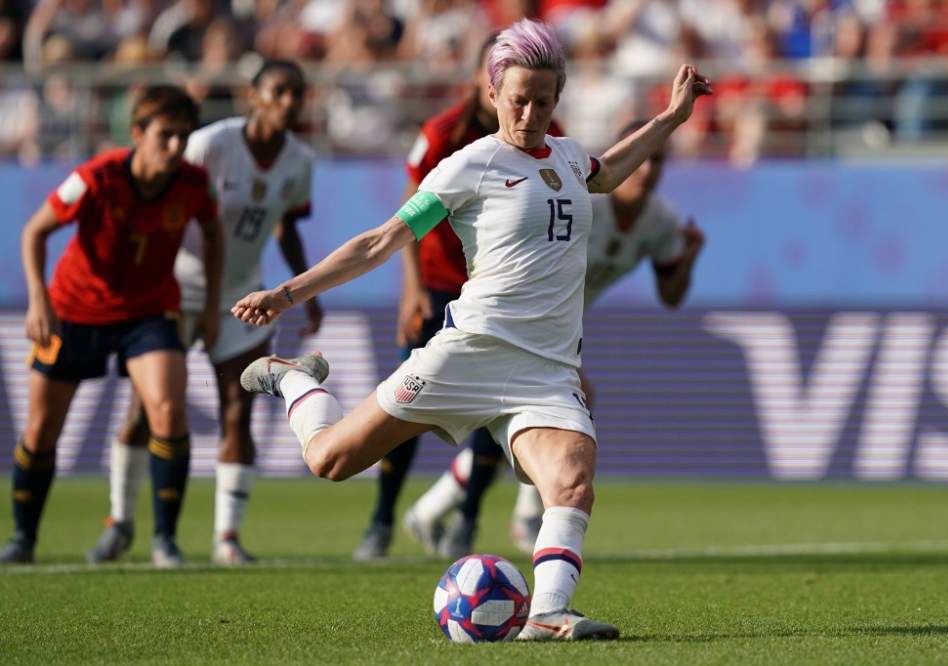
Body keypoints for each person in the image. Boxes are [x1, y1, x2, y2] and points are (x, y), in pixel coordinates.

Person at [234, 19, 710, 640]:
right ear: (492, 94)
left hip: (547, 369)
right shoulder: (469, 165)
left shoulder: (569, 157)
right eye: (518, 100)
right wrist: (287, 294)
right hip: (470, 352)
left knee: (572, 481)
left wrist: (672, 117)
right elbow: (380, 241)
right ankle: (295, 379)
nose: (530, 114)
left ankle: (547, 614)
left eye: (544, 101)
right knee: (330, 460)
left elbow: (610, 172)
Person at [408, 118, 706, 558]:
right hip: (512, 319)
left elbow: (671, 296)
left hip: (556, 331)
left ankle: (434, 510)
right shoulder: (583, 199)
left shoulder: (661, 221)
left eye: (657, 160)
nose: (647, 170)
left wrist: (689, 259)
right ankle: (525, 514)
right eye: (641, 159)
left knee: (532, 418)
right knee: (555, 410)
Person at [87, 60, 321, 566]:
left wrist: (306, 291)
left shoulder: (301, 161)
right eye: (278, 91)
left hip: (242, 297)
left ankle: (227, 538)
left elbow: (286, 226)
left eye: (297, 93)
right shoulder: (209, 144)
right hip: (173, 291)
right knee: (145, 411)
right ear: (252, 96)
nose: (288, 102)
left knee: (238, 411)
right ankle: (120, 523)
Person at [352, 32, 565, 562]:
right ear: (485, 81)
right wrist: (412, 290)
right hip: (438, 286)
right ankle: (381, 519)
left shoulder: (549, 136)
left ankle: (467, 519)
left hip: (498, 298)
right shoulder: (443, 135)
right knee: (404, 407)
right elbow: (405, 215)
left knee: (497, 410)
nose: (529, 109)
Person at [0, 85, 222, 566]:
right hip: (74, 310)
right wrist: (38, 300)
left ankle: (165, 540)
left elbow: (213, 232)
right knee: (41, 430)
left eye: (184, 137)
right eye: (165, 135)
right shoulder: (95, 177)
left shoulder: (193, 183)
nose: (176, 147)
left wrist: (210, 305)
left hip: (150, 311)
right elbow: (34, 230)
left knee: (168, 411)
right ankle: (22, 538)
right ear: (137, 133)